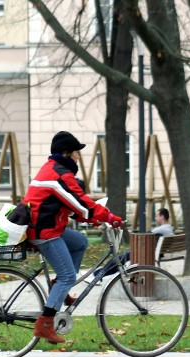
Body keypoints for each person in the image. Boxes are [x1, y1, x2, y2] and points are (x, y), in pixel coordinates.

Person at [22, 131, 123, 344]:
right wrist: (108, 216)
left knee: (80, 242)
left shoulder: (55, 170)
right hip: (44, 232)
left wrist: (91, 218)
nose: (79, 156)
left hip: (48, 227)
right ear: (67, 153)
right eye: (77, 152)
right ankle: (46, 324)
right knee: (68, 275)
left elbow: (72, 205)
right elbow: (82, 203)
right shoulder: (58, 175)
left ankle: (60, 288)